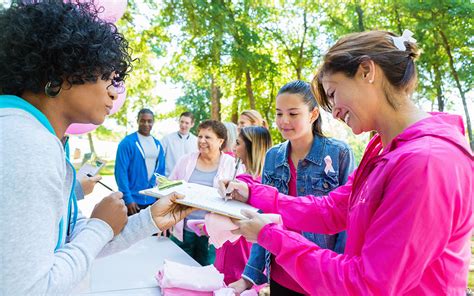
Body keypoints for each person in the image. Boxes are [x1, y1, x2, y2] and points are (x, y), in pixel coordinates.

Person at [221, 30, 473, 294]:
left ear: (366, 71)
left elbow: (369, 284)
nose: (335, 111)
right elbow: (333, 209)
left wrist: (272, 236)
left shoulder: (426, 163)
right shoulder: (384, 151)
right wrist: (253, 193)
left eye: (333, 93)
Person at [0, 2, 193, 294]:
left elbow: (68, 242)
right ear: (64, 70)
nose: (114, 92)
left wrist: (149, 219)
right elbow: (28, 289)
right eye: (106, 77)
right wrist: (100, 226)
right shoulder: (25, 142)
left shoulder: (36, 136)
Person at [229, 81, 354, 295]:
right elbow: (263, 219)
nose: (284, 121)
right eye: (279, 114)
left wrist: (339, 281)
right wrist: (248, 277)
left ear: (313, 114)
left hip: (321, 278)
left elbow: (347, 221)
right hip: (281, 275)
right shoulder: (273, 157)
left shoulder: (339, 153)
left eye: (293, 114)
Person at [168, 120, 243, 265]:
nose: (202, 141)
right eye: (200, 136)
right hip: (183, 230)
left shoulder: (232, 165)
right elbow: (171, 188)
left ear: (220, 141)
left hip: (213, 234)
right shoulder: (185, 160)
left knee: (207, 275)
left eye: (207, 137)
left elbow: (238, 200)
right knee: (177, 270)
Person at [214, 126, 272, 285]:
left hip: (238, 251)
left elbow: (231, 220)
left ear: (250, 146)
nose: (233, 148)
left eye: (238, 143)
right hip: (244, 251)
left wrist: (208, 227)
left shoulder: (246, 185)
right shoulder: (266, 183)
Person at [115, 108, 166, 215]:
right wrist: (127, 198)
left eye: (149, 121)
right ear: (137, 121)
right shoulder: (127, 143)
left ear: (153, 122)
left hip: (152, 200)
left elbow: (161, 173)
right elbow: (121, 172)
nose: (146, 124)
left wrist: (159, 196)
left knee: (150, 231)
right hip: (133, 200)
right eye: (143, 120)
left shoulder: (157, 144)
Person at [161, 111, 198, 176]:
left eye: (187, 123)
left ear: (192, 124)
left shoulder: (196, 141)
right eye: (182, 122)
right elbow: (159, 157)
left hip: (188, 179)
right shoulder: (167, 139)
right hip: (169, 178)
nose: (183, 125)